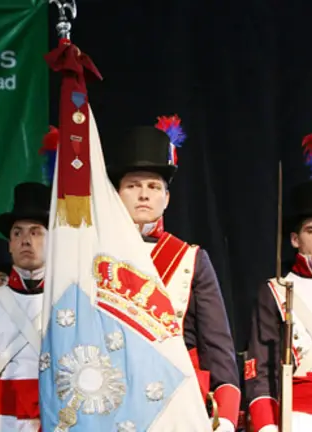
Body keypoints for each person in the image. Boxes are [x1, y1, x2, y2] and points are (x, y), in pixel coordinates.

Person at [106, 118, 241, 431]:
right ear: (117, 194)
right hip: (112, 404)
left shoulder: (191, 259)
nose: (143, 194)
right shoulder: (97, 257)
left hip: (179, 406)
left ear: (166, 199)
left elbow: (217, 349)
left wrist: (227, 420)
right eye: (133, 185)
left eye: (154, 186)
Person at [245, 124, 312, 432]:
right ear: (295, 240)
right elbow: (259, 368)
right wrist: (266, 426)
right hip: (296, 420)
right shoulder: (276, 290)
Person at [0, 182, 49, 430]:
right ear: (9, 245)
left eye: (36, 232)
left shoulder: (70, 302)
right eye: (17, 233)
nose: (25, 241)